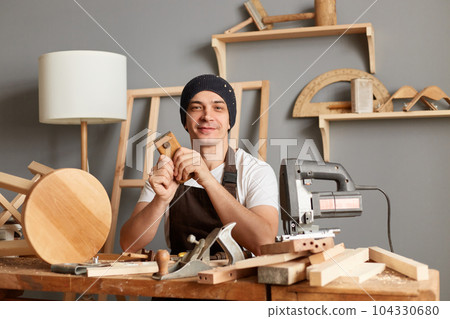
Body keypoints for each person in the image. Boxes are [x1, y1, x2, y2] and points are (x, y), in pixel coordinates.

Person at [120, 74, 279, 256]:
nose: (207, 116)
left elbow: (264, 243)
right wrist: (161, 200)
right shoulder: (166, 172)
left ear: (229, 121)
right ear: (186, 122)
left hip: (237, 279)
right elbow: (128, 244)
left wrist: (208, 180)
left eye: (218, 108)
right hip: (179, 278)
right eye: (196, 108)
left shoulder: (256, 172)